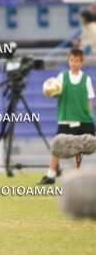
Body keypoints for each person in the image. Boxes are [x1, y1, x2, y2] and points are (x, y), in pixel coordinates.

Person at [38, 48, 95, 185]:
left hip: (83, 119)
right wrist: (49, 91)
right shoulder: (62, 77)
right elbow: (54, 91)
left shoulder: (86, 79)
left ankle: (75, 176)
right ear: (68, 61)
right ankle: (50, 175)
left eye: (76, 60)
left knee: (79, 148)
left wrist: (90, 117)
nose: (74, 63)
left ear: (81, 62)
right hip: (66, 119)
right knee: (58, 147)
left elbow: (89, 100)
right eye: (71, 60)